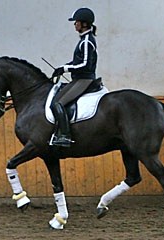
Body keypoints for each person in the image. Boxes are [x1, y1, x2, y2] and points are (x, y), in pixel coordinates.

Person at [50, 7, 98, 147]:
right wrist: (63, 67)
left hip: (84, 79)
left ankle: (64, 135)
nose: (74, 24)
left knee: (58, 103)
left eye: (76, 22)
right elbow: (77, 62)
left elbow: (85, 64)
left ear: (84, 23)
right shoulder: (84, 39)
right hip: (79, 78)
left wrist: (65, 68)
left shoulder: (87, 41)